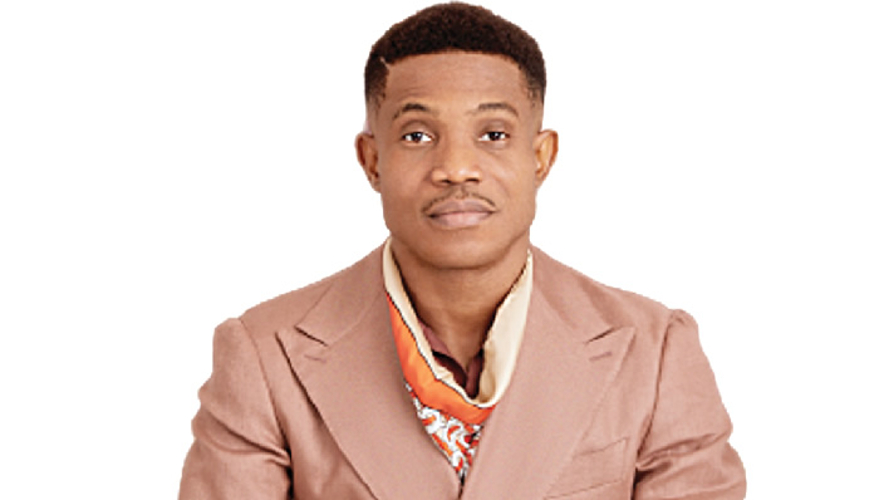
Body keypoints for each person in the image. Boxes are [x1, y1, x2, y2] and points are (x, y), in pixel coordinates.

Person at [178, 3, 746, 499]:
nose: (456, 169)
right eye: (417, 136)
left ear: (540, 158)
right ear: (372, 161)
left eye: (493, 134)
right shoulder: (264, 356)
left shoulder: (654, 353)